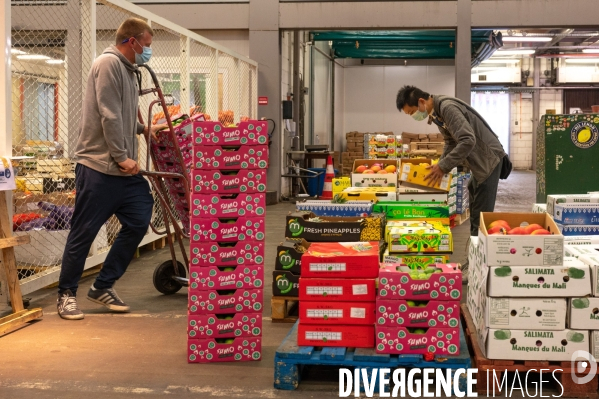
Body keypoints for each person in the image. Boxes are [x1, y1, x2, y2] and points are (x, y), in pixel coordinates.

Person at [57, 18, 165, 320]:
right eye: (147, 44)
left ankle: (102, 286)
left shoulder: (129, 71)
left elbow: (124, 114)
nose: (148, 51)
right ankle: (66, 294)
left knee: (140, 218)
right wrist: (121, 156)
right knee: (84, 232)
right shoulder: (108, 64)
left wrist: (143, 129)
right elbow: (109, 114)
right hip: (100, 167)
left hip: (122, 171)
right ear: (132, 41)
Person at [396, 86, 509, 275]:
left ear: (422, 102)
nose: (413, 116)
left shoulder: (447, 108)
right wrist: (440, 165)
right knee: (474, 204)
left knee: (480, 216)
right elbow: (451, 142)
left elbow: (467, 140)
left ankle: (477, 267)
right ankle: (474, 260)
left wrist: (444, 166)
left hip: (488, 161)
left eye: (412, 112)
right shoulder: (438, 113)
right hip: (479, 163)